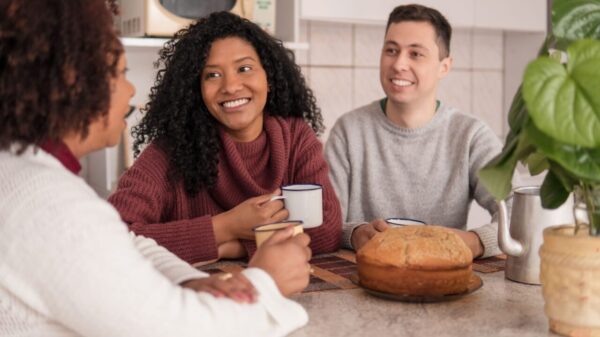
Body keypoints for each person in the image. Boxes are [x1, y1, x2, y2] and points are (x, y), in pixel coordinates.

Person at [0, 1, 312, 335]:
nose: (132, 90)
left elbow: (122, 241)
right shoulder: (52, 206)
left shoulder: (26, 173)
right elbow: (181, 329)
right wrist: (265, 282)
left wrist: (189, 279)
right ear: (74, 81)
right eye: (120, 74)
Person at [108, 11, 342, 264]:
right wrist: (226, 227)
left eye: (244, 68)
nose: (230, 86)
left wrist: (234, 248)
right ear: (197, 89)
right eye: (212, 75)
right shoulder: (172, 149)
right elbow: (113, 237)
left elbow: (327, 229)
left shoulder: (296, 137)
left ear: (269, 78)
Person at [324, 4, 502, 258]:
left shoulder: (471, 136)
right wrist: (355, 233)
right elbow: (327, 222)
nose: (398, 64)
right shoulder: (348, 132)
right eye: (391, 50)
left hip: (444, 278)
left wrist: (474, 242)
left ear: (444, 66)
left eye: (416, 54)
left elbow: (519, 213)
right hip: (365, 276)